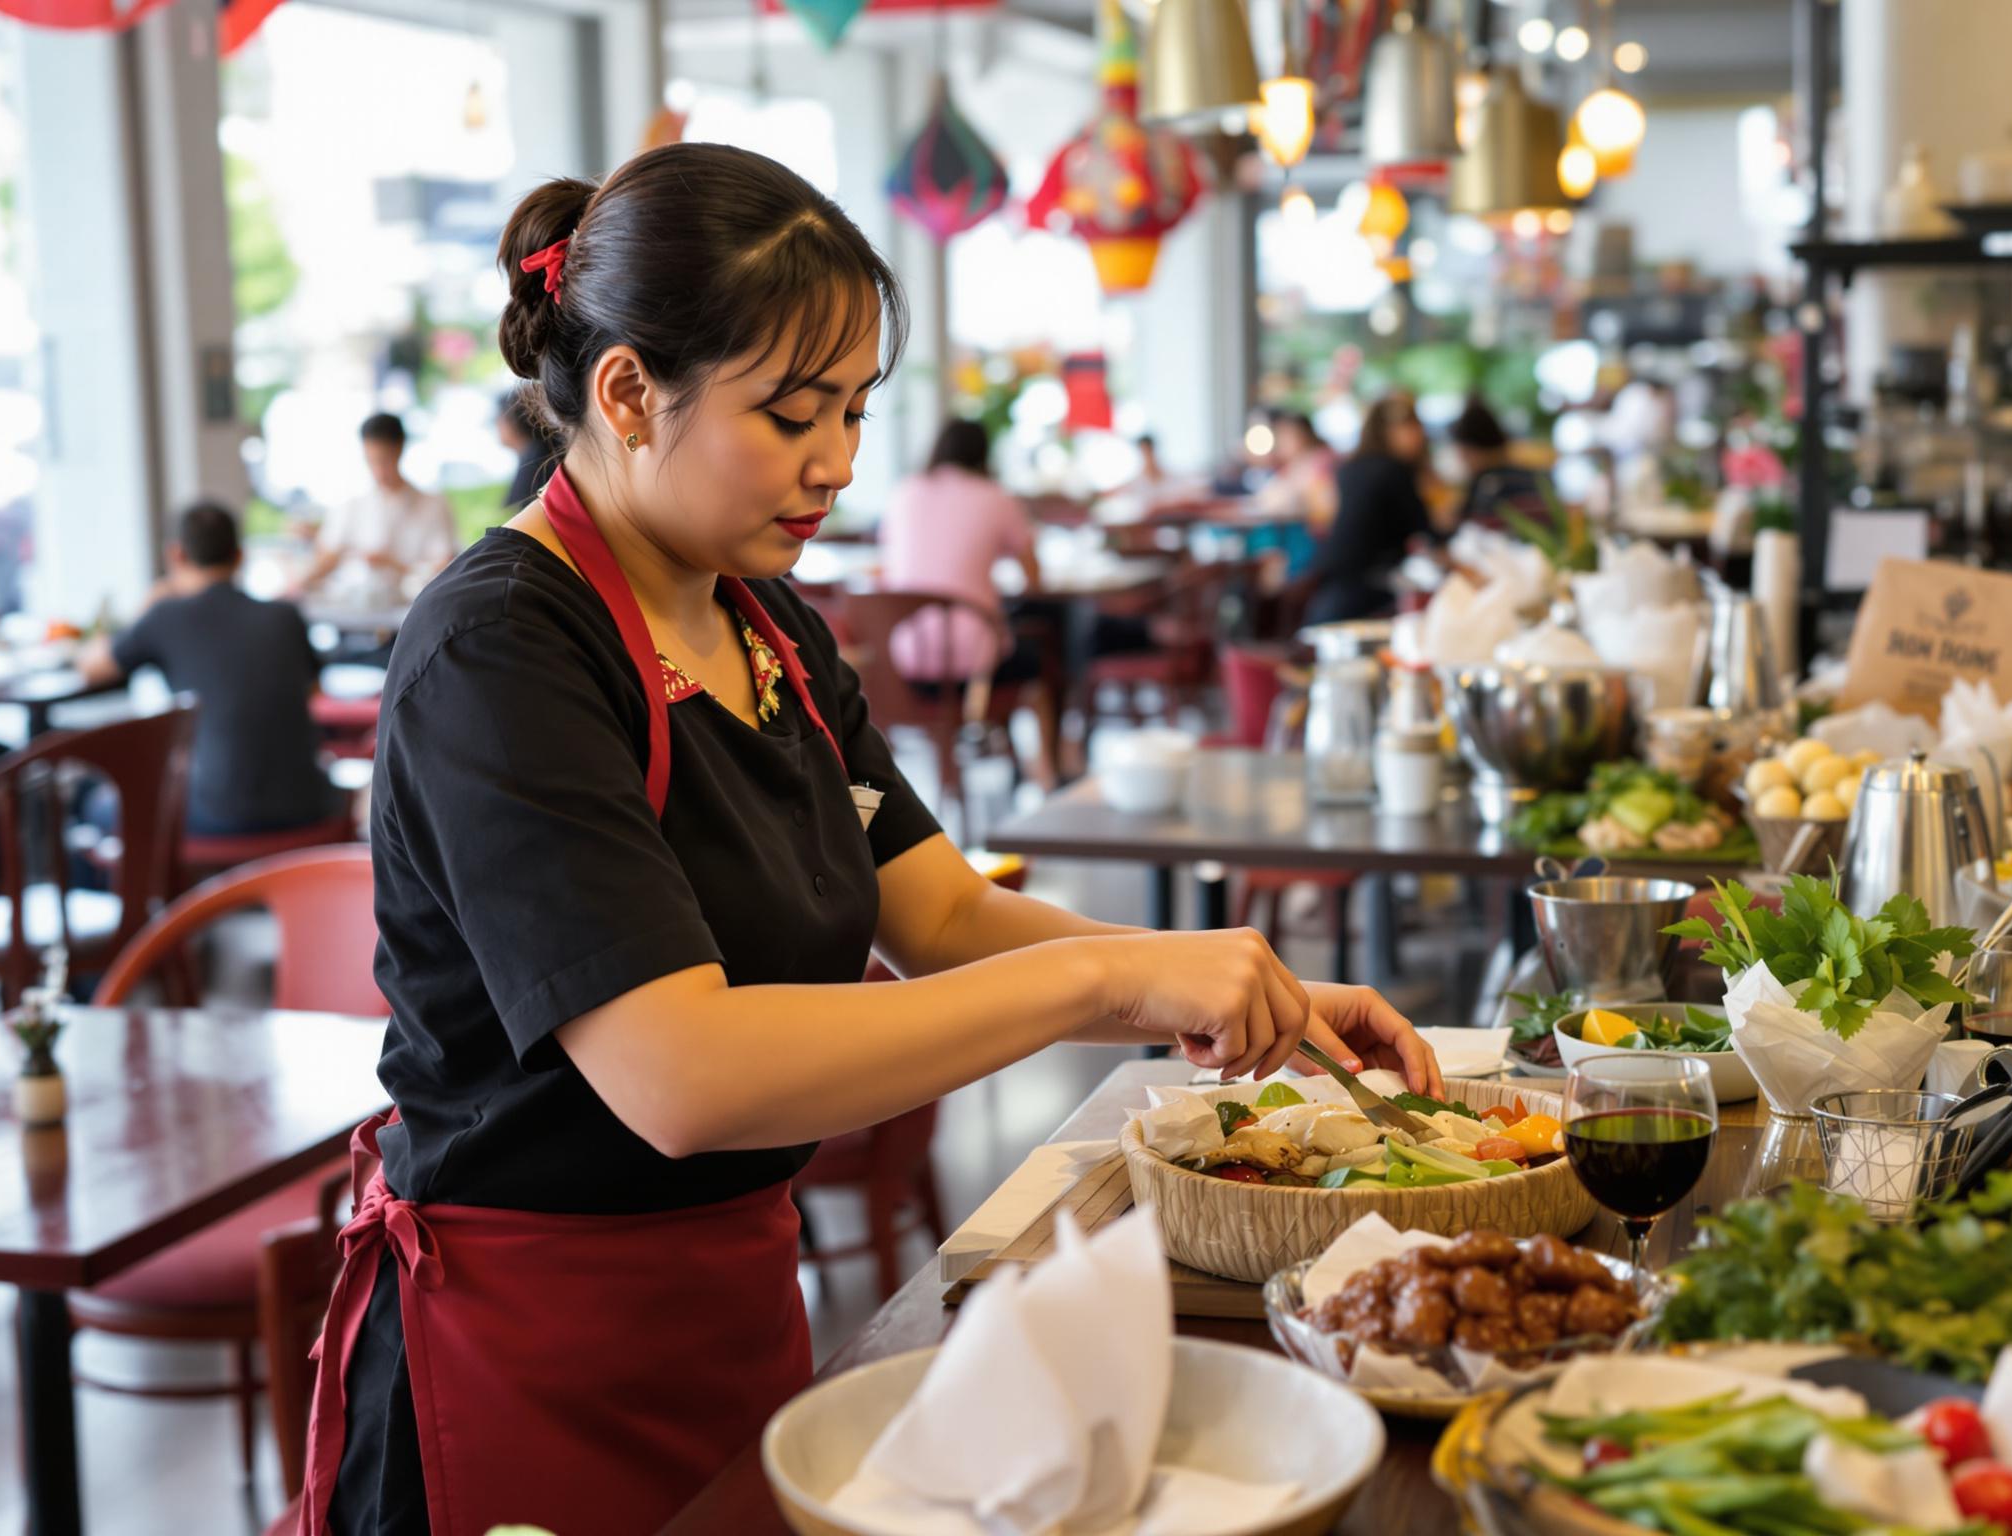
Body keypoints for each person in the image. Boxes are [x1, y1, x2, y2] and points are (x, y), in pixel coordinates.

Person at [302, 142, 1436, 1536]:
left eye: (852, 411)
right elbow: (682, 1074)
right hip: (525, 1347)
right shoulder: (503, 650)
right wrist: (1109, 977)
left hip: (732, 1305)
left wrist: (1235, 984)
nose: (837, 463)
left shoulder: (766, 624)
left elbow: (945, 917)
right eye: (791, 415)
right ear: (627, 393)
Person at [79, 502, 341, 837]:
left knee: (94, 802)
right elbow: (314, 694)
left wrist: (147, 604)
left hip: (223, 810)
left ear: (176, 555)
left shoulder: (165, 617)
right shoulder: (285, 615)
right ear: (239, 556)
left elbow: (93, 669)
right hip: (310, 802)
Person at [876, 418, 1041, 685]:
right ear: (984, 454)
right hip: (977, 660)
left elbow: (888, 563)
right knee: (1040, 653)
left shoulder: (904, 492)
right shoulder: (996, 497)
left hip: (906, 655)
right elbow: (1033, 577)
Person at [301, 413, 460, 607]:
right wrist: (298, 584)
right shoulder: (352, 505)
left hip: (410, 609)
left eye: (385, 460)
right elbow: (328, 555)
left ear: (400, 450)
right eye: (371, 460)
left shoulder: (433, 505)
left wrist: (394, 564)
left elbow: (445, 567)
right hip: (353, 607)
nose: (379, 471)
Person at [1303, 392, 1431, 625]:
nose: (1418, 436)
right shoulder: (1394, 470)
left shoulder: (1350, 467)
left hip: (1331, 572)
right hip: (1370, 582)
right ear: (1388, 432)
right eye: (1411, 428)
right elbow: (1424, 529)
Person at [1451, 398, 1552, 529]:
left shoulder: (1484, 484)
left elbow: (1454, 522)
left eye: (1463, 452)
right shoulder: (1537, 474)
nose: (1461, 459)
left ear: (1471, 450)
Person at [497, 392, 557, 509]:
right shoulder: (540, 451)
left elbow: (516, 509)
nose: (497, 425)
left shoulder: (535, 460)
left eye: (498, 418)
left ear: (512, 420)